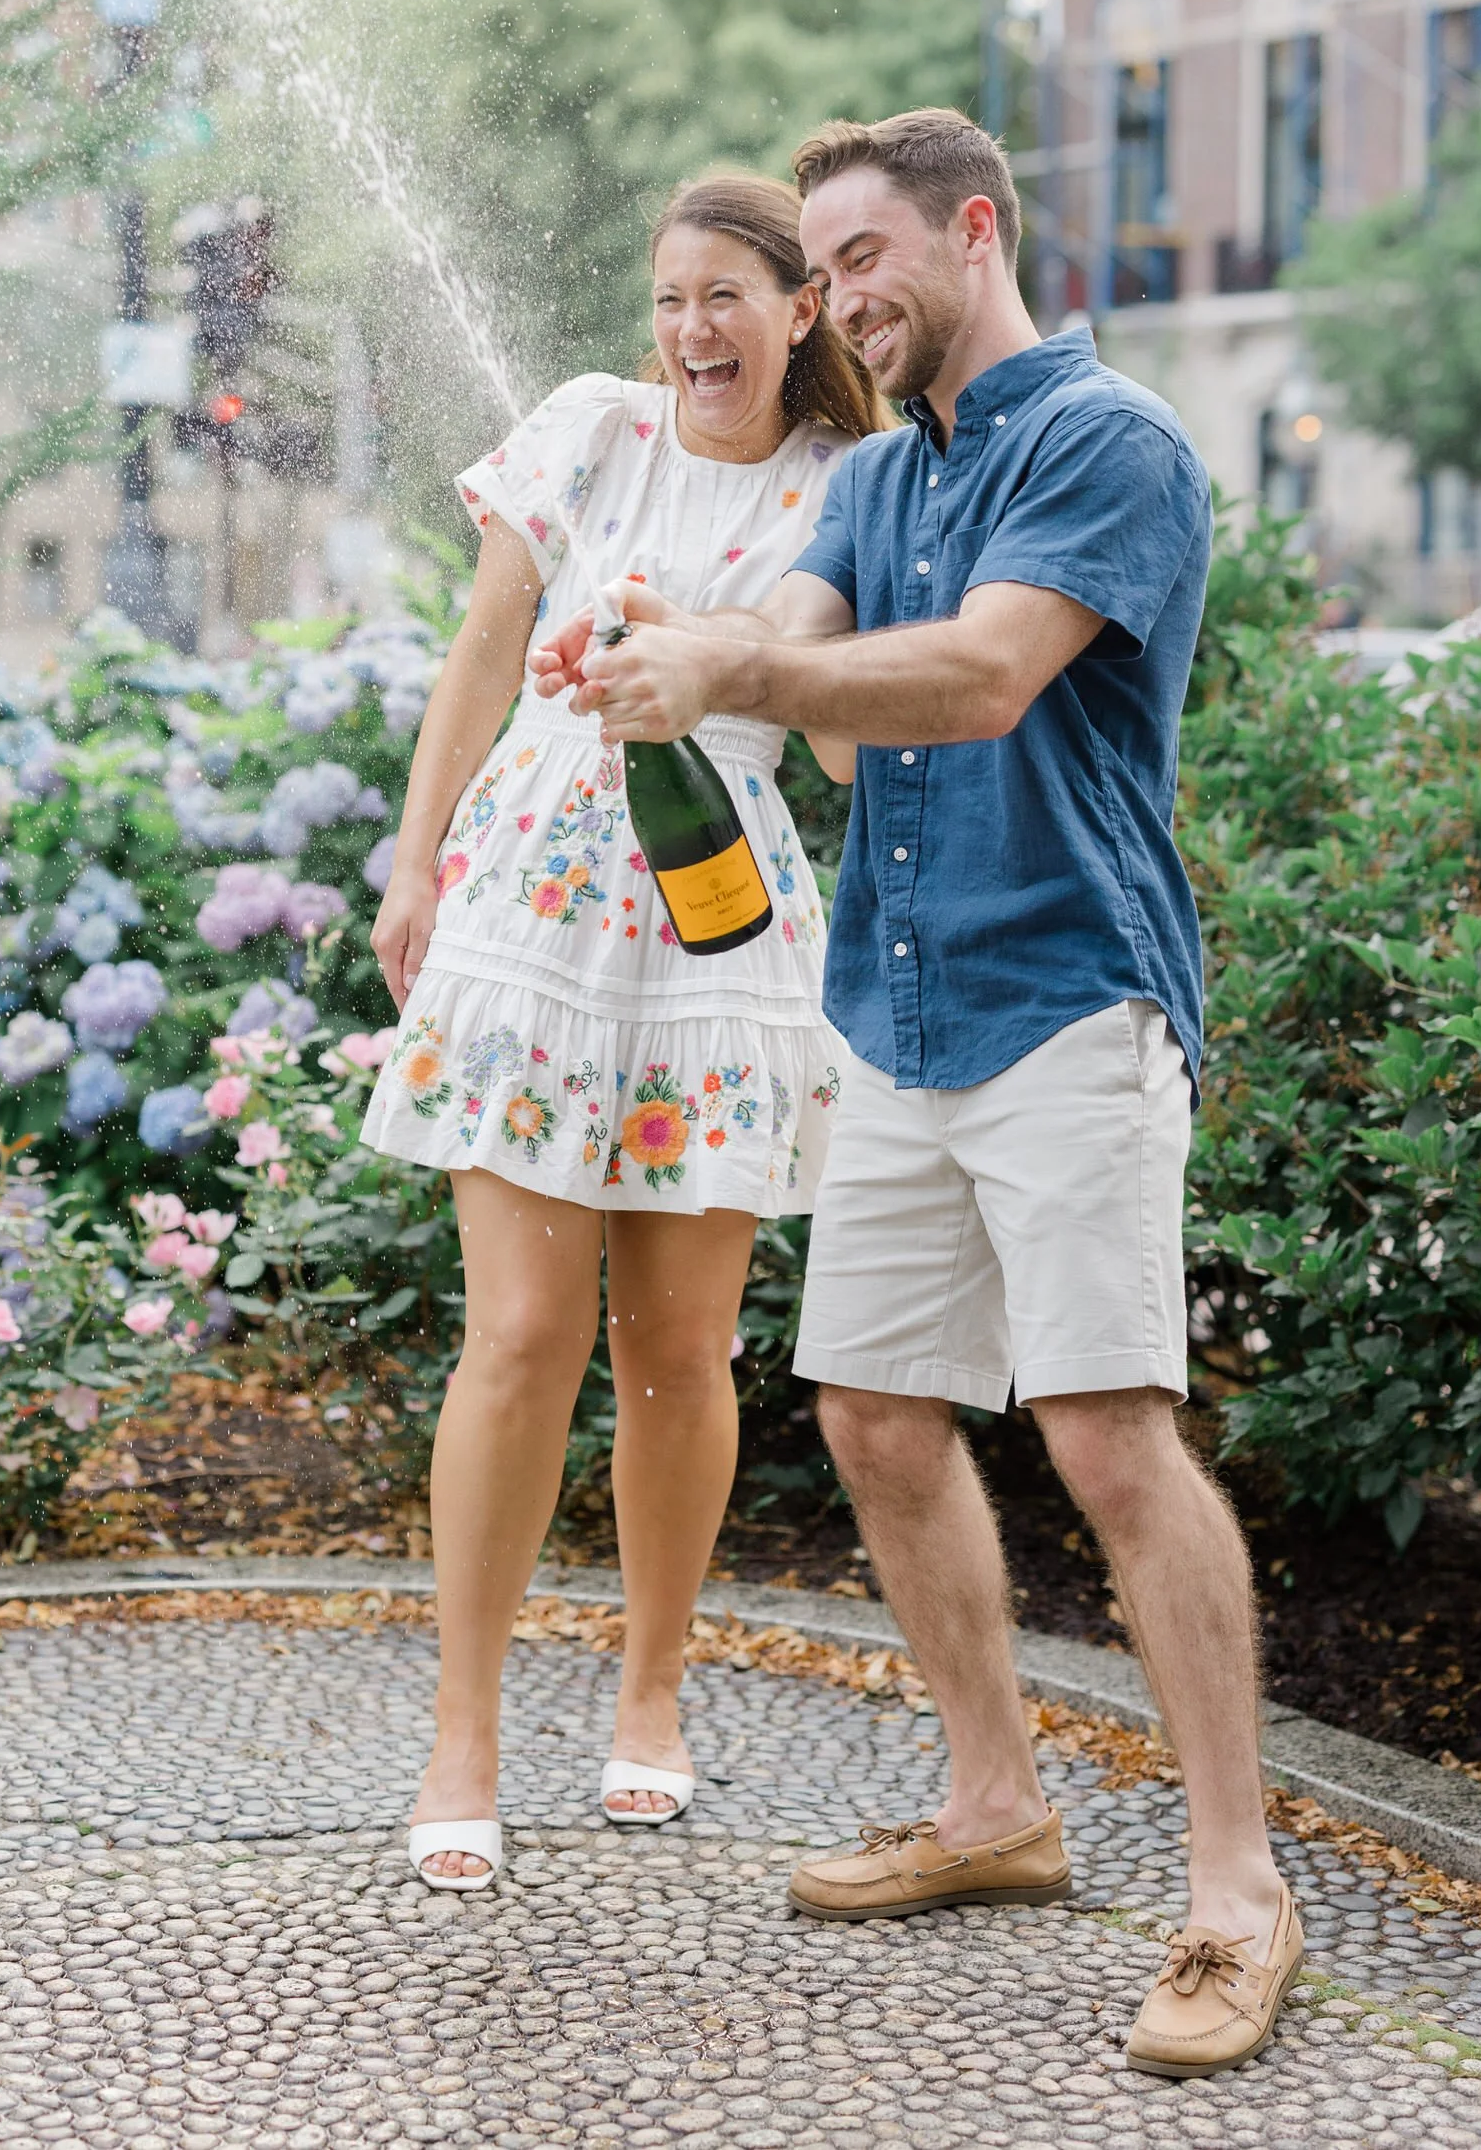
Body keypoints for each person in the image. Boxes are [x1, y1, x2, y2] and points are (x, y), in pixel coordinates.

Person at [534, 109, 1298, 2080]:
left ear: (972, 231)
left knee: (1109, 1436)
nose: (841, 301)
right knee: (873, 1411)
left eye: (867, 258)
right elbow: (787, 632)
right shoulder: (880, 482)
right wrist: (672, 653)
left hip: (1068, 997)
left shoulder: (1101, 446)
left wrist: (728, 679)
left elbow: (968, 677)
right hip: (890, 1003)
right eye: (825, 271)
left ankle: (1234, 1894)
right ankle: (991, 1808)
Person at [363, 172, 889, 1894]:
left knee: (680, 1350)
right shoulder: (588, 433)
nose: (688, 332)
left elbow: (837, 755)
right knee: (519, 1334)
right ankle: (465, 1727)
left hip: (718, 921)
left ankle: (652, 1697)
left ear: (798, 307)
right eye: (667, 298)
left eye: (723, 297)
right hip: (529, 897)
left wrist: (727, 661)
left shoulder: (848, 486)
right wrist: (415, 858)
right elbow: (483, 645)